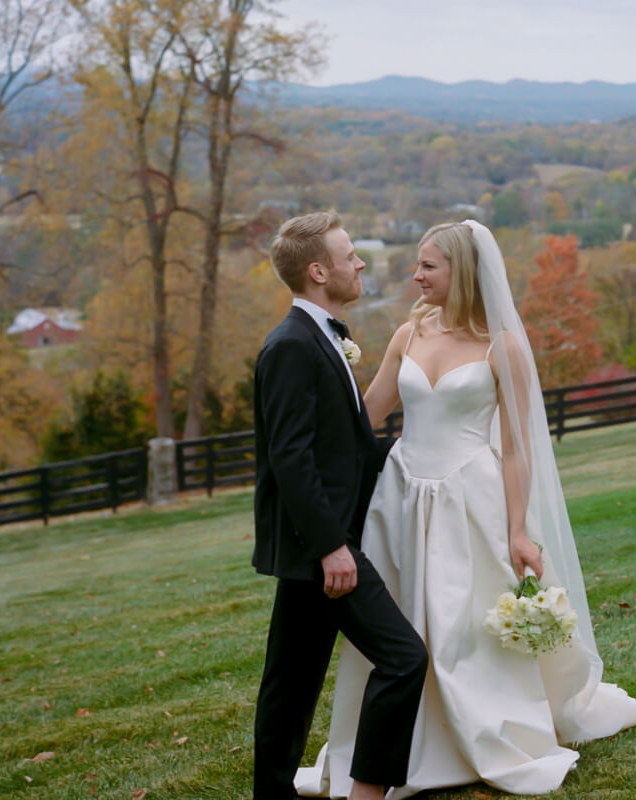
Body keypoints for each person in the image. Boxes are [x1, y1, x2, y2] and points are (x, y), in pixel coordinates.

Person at [295, 220, 636, 799]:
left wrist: (518, 529)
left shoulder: (502, 346)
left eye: (429, 265)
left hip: (469, 501)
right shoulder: (409, 332)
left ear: (462, 271)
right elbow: (368, 415)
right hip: (401, 499)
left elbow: (516, 447)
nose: (416, 274)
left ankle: (475, 734)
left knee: (461, 626)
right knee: (399, 624)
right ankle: (390, 742)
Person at [252, 210, 428, 800]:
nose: (359, 264)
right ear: (318, 270)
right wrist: (332, 547)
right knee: (403, 659)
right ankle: (366, 795)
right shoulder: (291, 346)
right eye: (349, 255)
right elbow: (291, 459)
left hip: (325, 546)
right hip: (322, 550)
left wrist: (406, 455)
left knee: (291, 683)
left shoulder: (324, 338)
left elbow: (342, 450)